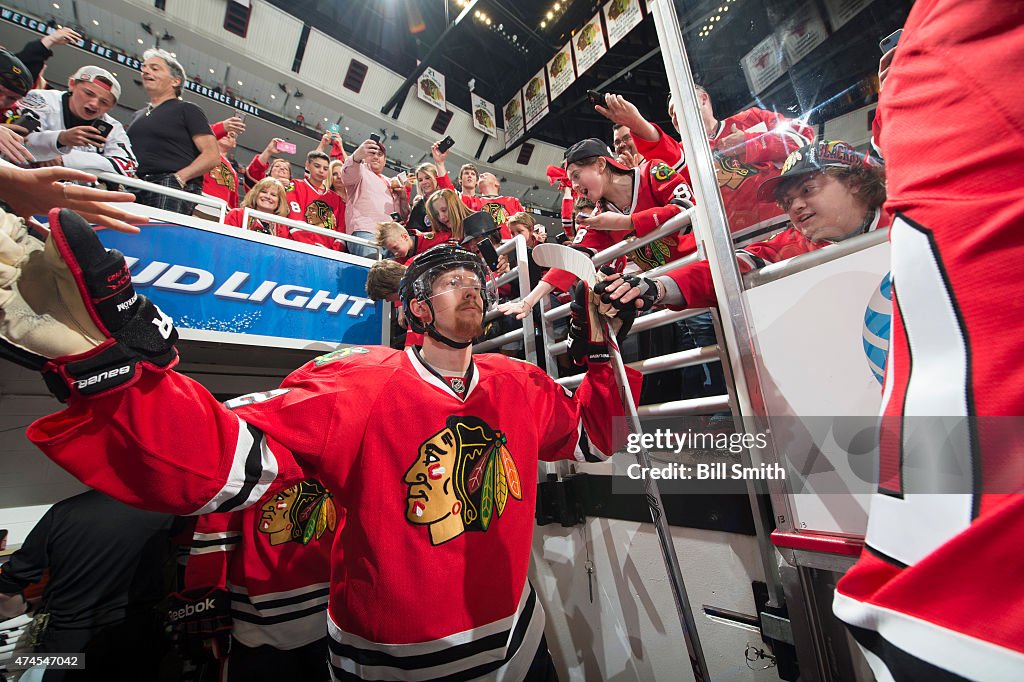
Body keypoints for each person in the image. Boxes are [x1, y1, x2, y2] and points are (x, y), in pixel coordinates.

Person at [2, 205, 641, 680]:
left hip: (518, 642)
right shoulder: (352, 385)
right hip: (393, 661)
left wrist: (606, 351)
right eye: (448, 280)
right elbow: (222, 462)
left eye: (474, 278)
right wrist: (115, 375)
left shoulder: (520, 382)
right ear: (416, 311)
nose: (469, 285)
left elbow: (595, 440)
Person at [829, 5, 1024, 680]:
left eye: (809, 186)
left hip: (941, 596)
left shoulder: (938, 69)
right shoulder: (944, 67)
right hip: (969, 606)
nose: (793, 205)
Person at [597, 140, 888, 312]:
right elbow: (725, 269)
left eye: (808, 190)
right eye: (787, 202)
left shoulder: (912, 213)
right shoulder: (788, 245)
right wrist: (657, 287)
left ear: (853, 182)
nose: (795, 206)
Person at [502, 137, 695, 320]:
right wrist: (528, 302)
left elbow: (689, 212)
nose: (575, 186)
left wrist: (626, 222)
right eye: (571, 180)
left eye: (577, 176)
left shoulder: (653, 171)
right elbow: (570, 260)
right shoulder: (599, 218)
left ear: (601, 165)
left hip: (703, 273)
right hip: (667, 294)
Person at [0, 490, 178, 682]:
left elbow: (8, 590)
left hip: (65, 648)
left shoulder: (64, 511)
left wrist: (28, 607)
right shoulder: (165, 512)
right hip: (135, 642)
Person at [597, 88, 814, 240]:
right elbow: (668, 153)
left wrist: (749, 143)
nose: (676, 117)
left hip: (792, 230)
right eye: (672, 114)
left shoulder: (752, 119)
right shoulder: (684, 150)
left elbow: (803, 138)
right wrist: (636, 123)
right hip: (733, 248)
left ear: (703, 98)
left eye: (679, 107)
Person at [175, 479, 336, 681]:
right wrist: (204, 591)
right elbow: (219, 521)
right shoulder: (250, 452)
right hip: (256, 624)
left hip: (328, 618)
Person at [127, 49, 219, 214]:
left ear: (175, 81)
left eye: (155, 68)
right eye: (144, 67)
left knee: (159, 236)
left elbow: (212, 155)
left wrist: (179, 178)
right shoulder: (137, 115)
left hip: (169, 184)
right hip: (134, 183)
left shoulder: (188, 110)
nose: (146, 71)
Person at [17, 66, 136, 177]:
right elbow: (15, 139)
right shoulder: (40, 99)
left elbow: (128, 166)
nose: (94, 104)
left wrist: (64, 159)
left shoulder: (112, 127)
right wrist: (60, 139)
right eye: (88, 94)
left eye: (104, 102)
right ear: (72, 84)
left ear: (111, 107)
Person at [341, 137, 408, 257]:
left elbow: (403, 215)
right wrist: (357, 156)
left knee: (388, 275)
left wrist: (403, 198)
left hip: (392, 239)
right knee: (369, 268)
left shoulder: (392, 182)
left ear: (385, 160)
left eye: (380, 154)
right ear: (365, 156)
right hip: (366, 232)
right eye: (372, 153)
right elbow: (347, 175)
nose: (376, 156)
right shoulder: (360, 171)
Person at [286, 150, 344, 249]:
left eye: (325, 168)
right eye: (317, 166)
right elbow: (294, 218)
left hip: (328, 253)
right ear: (308, 165)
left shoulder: (337, 199)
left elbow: (341, 230)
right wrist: (308, 245)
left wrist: (334, 251)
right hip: (299, 246)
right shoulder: (295, 185)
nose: (321, 171)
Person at [224, 177, 290, 238]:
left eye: (273, 195)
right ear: (255, 194)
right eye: (264, 192)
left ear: (279, 201)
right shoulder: (237, 214)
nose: (268, 196)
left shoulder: (282, 226)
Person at [374, 220, 448, 264]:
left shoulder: (430, 240)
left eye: (395, 247)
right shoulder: (400, 261)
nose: (395, 253)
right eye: (391, 251)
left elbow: (453, 238)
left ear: (405, 237)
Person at [202, 128, 240, 210]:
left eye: (232, 135)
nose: (227, 135)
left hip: (222, 212)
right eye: (225, 132)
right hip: (199, 203)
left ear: (234, 144)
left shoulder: (234, 172)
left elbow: (233, 200)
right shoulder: (201, 153)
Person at [476, 172, 522, 239]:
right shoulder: (473, 201)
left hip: (510, 244)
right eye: (480, 177)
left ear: (497, 183)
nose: (481, 175)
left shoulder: (513, 201)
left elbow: (525, 225)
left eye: (486, 175)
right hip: (483, 245)